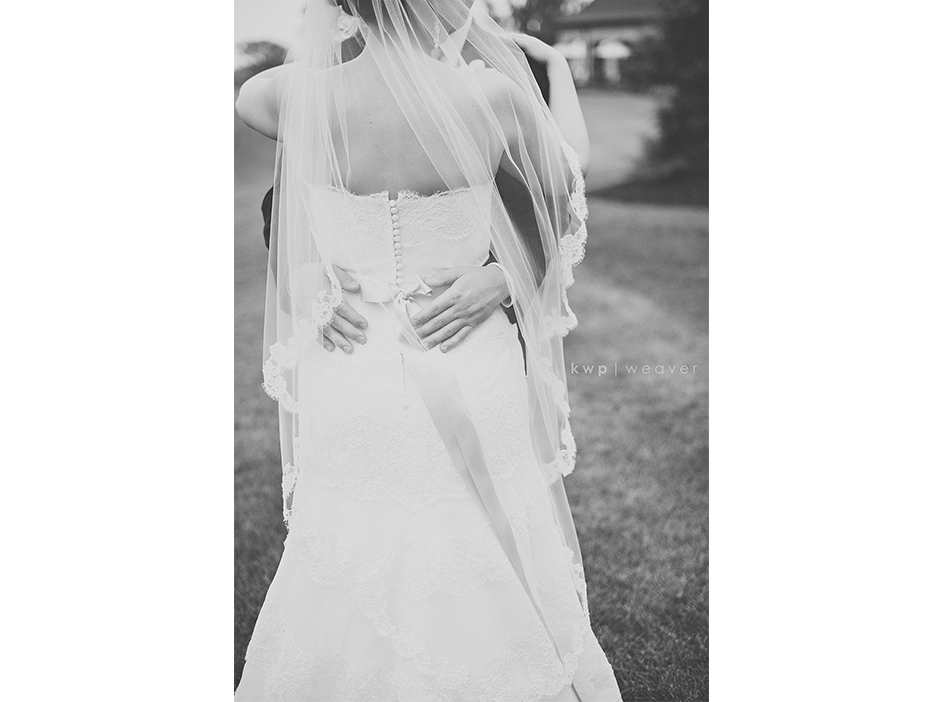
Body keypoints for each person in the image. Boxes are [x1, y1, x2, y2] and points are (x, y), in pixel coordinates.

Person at [235, 0, 622, 699]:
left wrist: (310, 273)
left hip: (349, 359)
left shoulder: (286, 95)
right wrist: (557, 71)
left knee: (352, 535)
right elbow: (570, 174)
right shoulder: (491, 98)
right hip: (467, 352)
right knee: (481, 532)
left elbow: (261, 123)